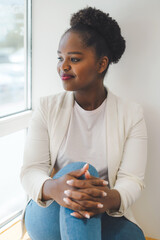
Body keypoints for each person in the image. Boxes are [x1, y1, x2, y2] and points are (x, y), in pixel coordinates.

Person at [20, 6, 147, 240]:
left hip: (102, 209)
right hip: (48, 207)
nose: (63, 66)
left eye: (74, 59)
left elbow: (133, 180)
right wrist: (56, 187)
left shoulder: (131, 114)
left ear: (101, 64)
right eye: (60, 58)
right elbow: (31, 171)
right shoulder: (47, 107)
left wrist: (104, 198)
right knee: (78, 172)